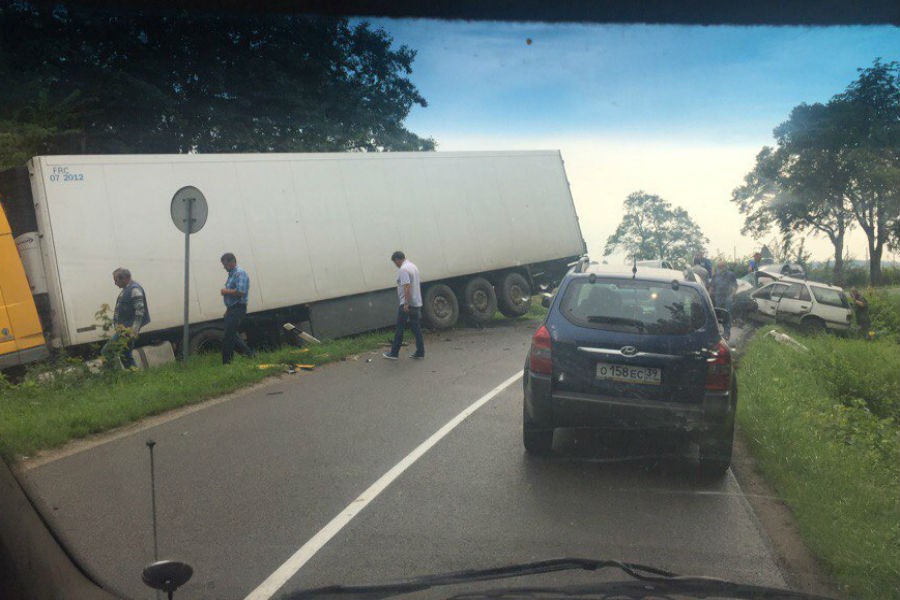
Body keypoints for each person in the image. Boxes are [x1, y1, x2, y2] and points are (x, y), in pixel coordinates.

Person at [101, 268, 150, 369]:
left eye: (116, 280)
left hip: (128, 330)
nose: (115, 283)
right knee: (126, 354)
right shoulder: (127, 289)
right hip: (124, 329)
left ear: (123, 278)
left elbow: (139, 313)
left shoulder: (134, 290)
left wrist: (133, 331)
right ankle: (134, 376)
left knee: (107, 351)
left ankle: (111, 377)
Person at [383, 250, 424, 360]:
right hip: (416, 302)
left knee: (400, 328)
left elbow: (406, 286)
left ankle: (394, 353)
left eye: (395, 262)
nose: (395, 265)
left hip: (407, 304)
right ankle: (420, 351)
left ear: (397, 260)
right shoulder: (413, 266)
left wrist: (406, 303)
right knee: (416, 328)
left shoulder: (403, 269)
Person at [220, 252, 255, 364]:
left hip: (238, 308)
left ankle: (227, 363)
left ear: (232, 262)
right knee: (231, 333)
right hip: (232, 309)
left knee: (228, 336)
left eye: (225, 265)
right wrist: (228, 310)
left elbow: (240, 292)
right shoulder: (232, 274)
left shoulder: (240, 273)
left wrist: (226, 291)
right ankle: (250, 355)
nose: (224, 267)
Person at [709, 261, 737, 339]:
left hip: (727, 297)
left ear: (725, 267)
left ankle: (727, 333)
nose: (721, 268)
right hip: (718, 298)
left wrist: (732, 295)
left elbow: (734, 286)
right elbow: (712, 286)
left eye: (722, 266)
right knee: (718, 315)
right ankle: (718, 332)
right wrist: (709, 296)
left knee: (727, 314)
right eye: (719, 267)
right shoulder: (715, 275)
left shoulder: (731, 275)